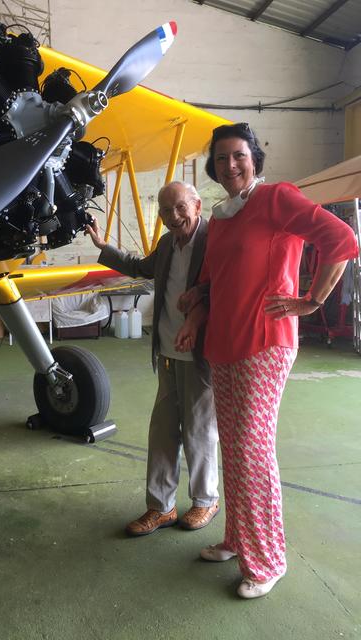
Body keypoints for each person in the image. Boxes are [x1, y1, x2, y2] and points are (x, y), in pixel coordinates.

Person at [175, 123, 358, 598]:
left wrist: (312, 299)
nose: (229, 165)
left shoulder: (277, 198)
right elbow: (215, 276)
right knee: (233, 447)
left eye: (238, 155)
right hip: (224, 341)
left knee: (252, 450)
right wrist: (197, 297)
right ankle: (238, 539)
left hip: (265, 342)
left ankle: (268, 559)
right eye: (220, 159)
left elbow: (340, 240)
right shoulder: (220, 215)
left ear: (254, 157)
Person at [85, 181, 219, 536]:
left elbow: (225, 284)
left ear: (197, 205)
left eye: (179, 208)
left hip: (200, 352)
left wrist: (200, 298)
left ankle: (205, 500)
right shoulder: (166, 243)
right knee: (162, 429)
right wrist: (103, 247)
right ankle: (161, 507)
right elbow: (141, 267)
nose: (172, 217)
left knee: (199, 430)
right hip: (168, 350)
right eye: (164, 210)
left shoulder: (214, 240)